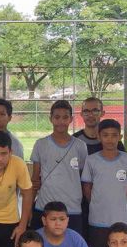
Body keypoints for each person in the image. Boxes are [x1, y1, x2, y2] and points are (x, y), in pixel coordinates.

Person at [29, 100, 88, 235]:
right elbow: (35, 180)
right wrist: (28, 210)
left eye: (65, 117)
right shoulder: (41, 144)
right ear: (51, 119)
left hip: (71, 208)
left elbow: (82, 177)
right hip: (44, 206)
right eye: (57, 117)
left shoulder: (80, 146)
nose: (61, 121)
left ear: (71, 119)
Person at [81, 119, 127, 247]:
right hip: (97, 220)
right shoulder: (91, 160)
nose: (110, 139)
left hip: (120, 219)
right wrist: (96, 202)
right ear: (99, 137)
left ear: (120, 137)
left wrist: (118, 200)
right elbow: (87, 186)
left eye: (114, 135)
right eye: (105, 135)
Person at [73, 97, 126, 242]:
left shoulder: (116, 145)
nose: (91, 114)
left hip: (106, 207)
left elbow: (125, 179)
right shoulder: (74, 142)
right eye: (86, 111)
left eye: (95, 110)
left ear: (102, 112)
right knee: (83, 244)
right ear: (81, 114)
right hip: (79, 204)